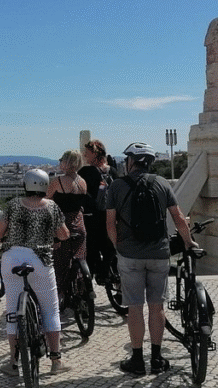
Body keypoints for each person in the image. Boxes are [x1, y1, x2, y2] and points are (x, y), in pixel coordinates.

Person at [106, 142, 197, 375]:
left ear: (130, 162)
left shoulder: (117, 186)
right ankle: (157, 359)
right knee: (157, 306)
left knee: (135, 307)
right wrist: (188, 242)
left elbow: (110, 224)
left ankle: (137, 360)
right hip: (159, 253)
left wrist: (119, 247)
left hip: (129, 255)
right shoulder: (162, 183)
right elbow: (178, 218)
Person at [0, 168, 72, 376]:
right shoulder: (52, 207)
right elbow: (63, 234)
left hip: (12, 260)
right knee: (50, 311)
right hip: (40, 261)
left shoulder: (14, 205)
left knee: (12, 311)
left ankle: (13, 363)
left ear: (25, 185)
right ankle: (56, 361)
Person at [45, 149, 90, 306]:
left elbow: (46, 202)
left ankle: (60, 296)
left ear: (67, 162)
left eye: (61, 160)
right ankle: (83, 292)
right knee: (80, 259)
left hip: (61, 226)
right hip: (79, 225)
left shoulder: (58, 182)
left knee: (60, 263)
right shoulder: (83, 182)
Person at [79, 139, 117, 284]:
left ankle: (89, 284)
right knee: (109, 246)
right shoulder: (112, 171)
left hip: (92, 217)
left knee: (91, 249)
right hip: (111, 215)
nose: (84, 155)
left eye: (86, 152)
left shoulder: (86, 172)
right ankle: (106, 272)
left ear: (94, 153)